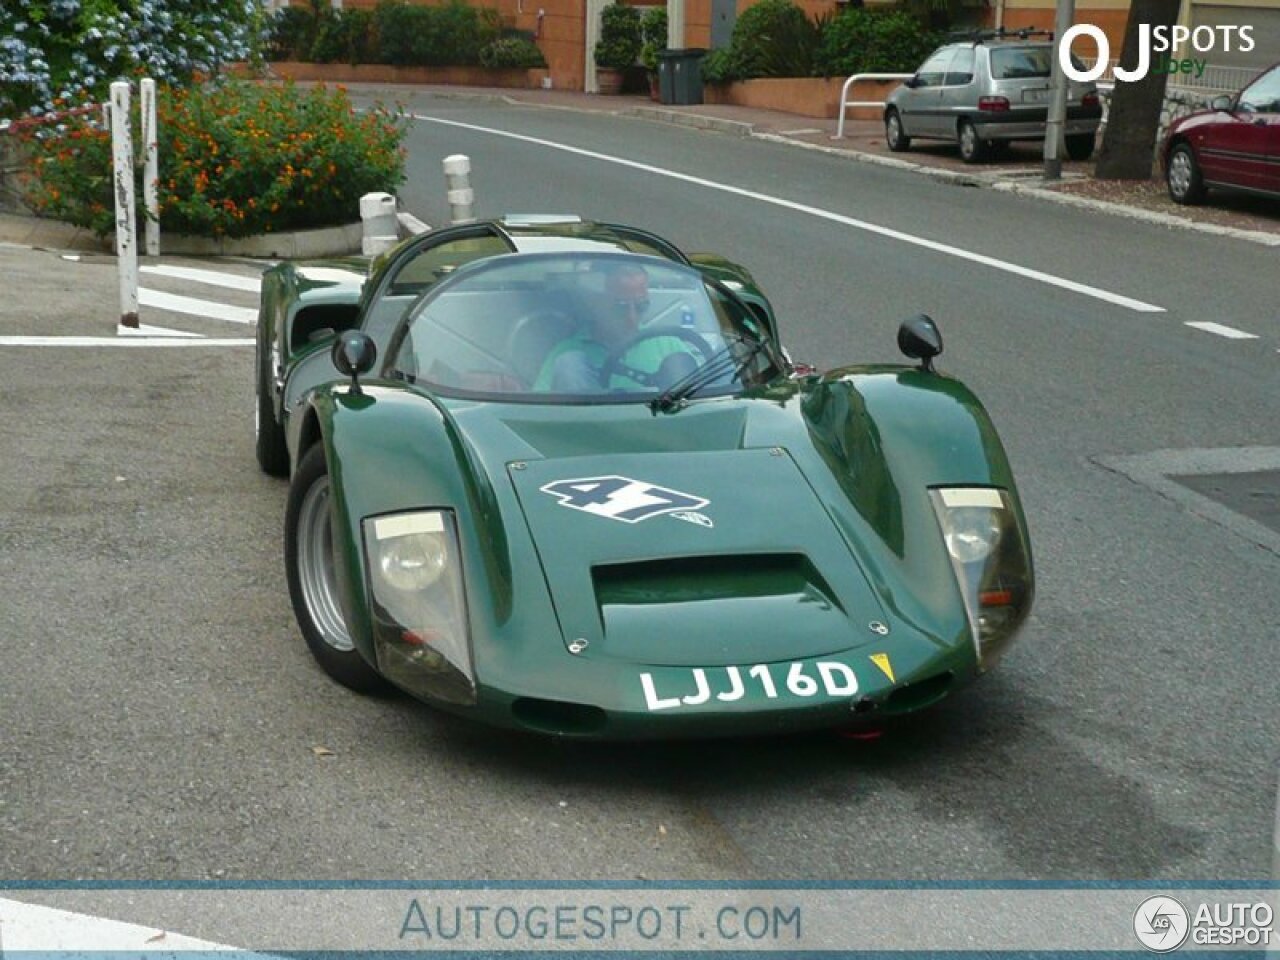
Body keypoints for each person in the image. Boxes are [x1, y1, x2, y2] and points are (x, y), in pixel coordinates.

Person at [532, 263, 698, 393]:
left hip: (662, 433)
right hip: (592, 433)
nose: (632, 318)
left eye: (641, 306)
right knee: (570, 364)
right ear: (598, 305)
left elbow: (705, 389)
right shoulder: (566, 351)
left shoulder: (668, 344)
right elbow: (538, 413)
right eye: (621, 307)